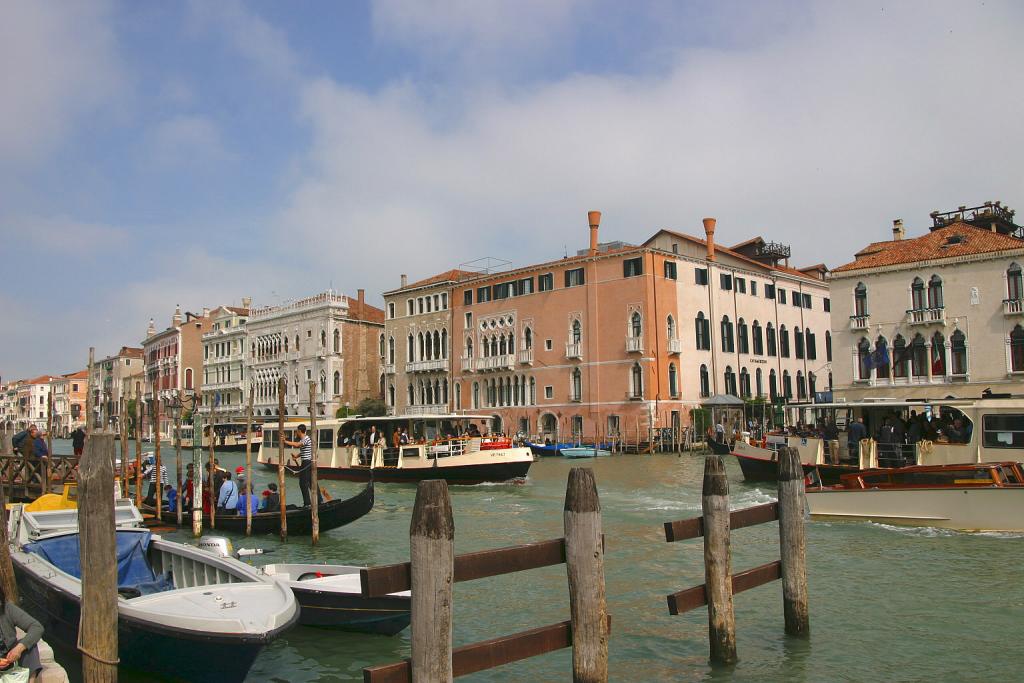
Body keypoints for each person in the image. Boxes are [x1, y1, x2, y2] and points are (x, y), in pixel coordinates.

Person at [0, 583, 44, 682]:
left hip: (10, 657)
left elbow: (37, 627)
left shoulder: (7, 608)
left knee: (30, 646)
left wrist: (19, 648)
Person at [284, 424, 314, 507]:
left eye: (297, 431)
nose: (296, 432)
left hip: (307, 462)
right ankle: (319, 500)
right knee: (311, 481)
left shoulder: (306, 438)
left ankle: (307, 503)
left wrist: (285, 441)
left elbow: (297, 445)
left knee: (303, 483)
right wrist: (296, 456)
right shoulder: (305, 439)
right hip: (307, 462)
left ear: (299, 431)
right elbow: (304, 451)